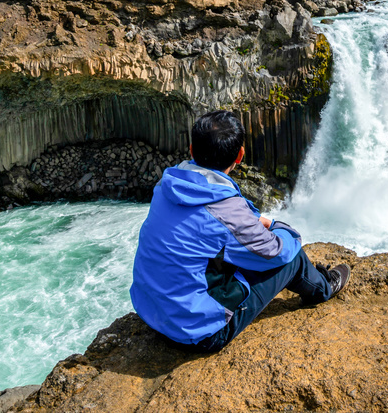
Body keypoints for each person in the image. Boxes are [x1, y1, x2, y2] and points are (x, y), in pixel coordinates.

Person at [130, 109, 350, 352]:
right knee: (293, 259)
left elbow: (209, 227)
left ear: (191, 150)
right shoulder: (226, 212)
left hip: (150, 311)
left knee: (230, 253)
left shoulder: (166, 185)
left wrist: (249, 223)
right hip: (198, 333)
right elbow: (279, 252)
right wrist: (279, 227)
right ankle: (325, 287)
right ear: (240, 155)